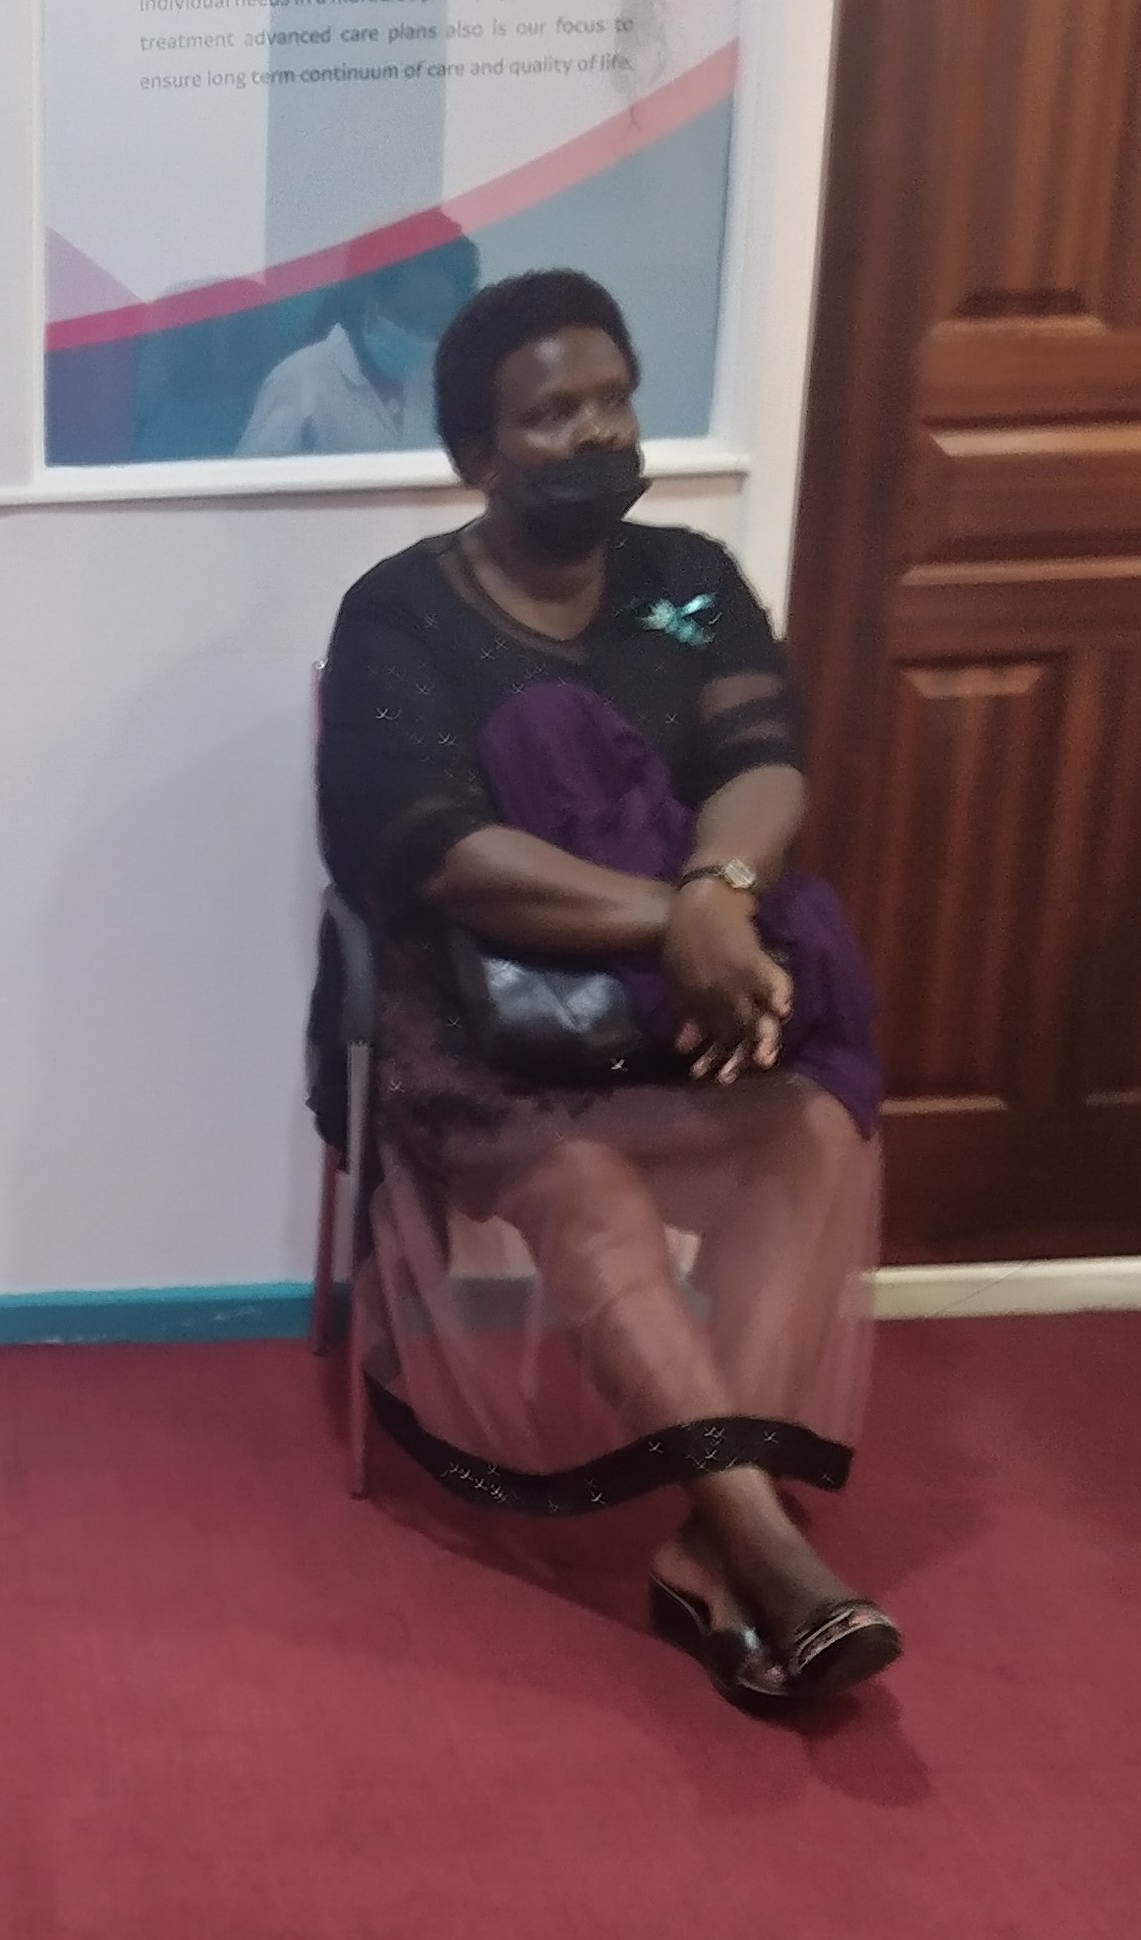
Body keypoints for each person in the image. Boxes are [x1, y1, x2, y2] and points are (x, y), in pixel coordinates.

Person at [314, 270, 901, 1710]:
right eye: (551, 413)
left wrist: (718, 894)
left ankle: (709, 1547)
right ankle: (764, 1536)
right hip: (486, 1026)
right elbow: (437, 850)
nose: (595, 432)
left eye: (613, 399)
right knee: (586, 1192)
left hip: (677, 999)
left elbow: (764, 761)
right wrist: (682, 915)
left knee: (811, 1132)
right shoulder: (400, 614)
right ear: (477, 453)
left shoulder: (690, 580)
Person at [235, 232, 481, 460]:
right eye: (412, 321)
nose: (421, 338)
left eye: (433, 328)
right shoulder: (301, 380)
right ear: (372, 299)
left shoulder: (436, 388)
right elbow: (253, 487)